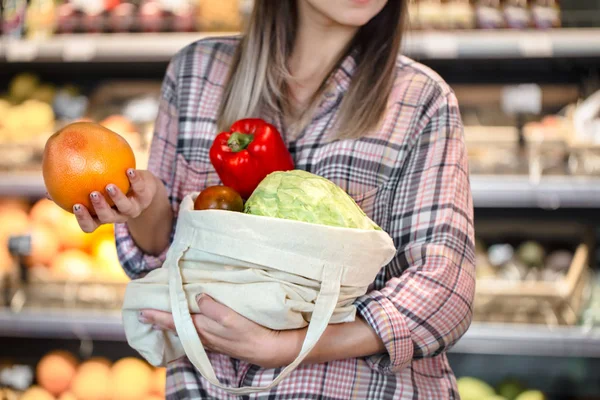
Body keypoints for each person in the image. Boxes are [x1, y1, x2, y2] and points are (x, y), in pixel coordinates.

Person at [71, 0, 476, 398]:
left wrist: (289, 347)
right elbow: (163, 256)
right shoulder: (196, 74)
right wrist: (146, 206)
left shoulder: (421, 99)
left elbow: (446, 293)